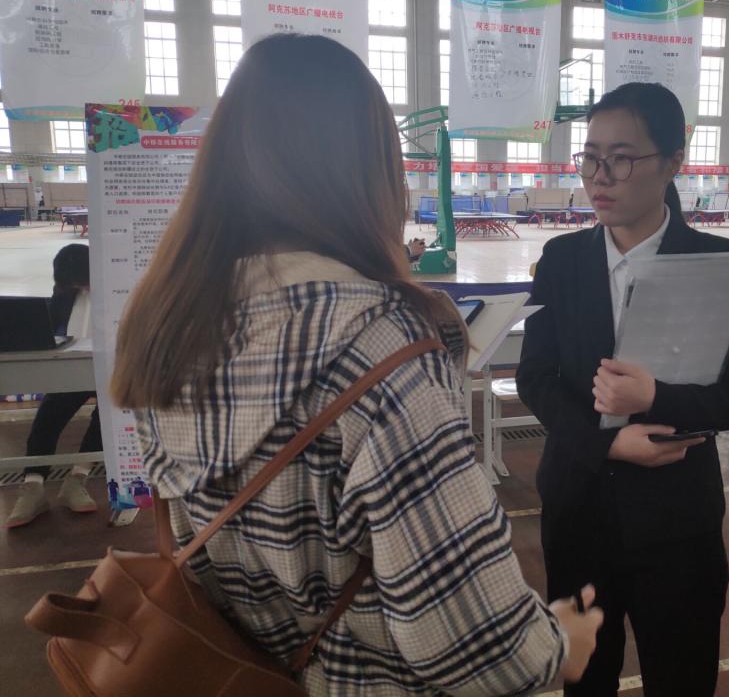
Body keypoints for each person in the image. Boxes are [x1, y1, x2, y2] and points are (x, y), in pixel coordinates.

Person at [110, 34, 602, 696]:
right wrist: (561, 643)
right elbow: (472, 645)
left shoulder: (166, 324)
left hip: (239, 676)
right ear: (368, 174)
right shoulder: (378, 346)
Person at [516, 83, 729, 696]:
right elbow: (535, 377)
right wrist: (606, 443)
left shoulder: (718, 264)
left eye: (622, 159)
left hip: (677, 521)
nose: (600, 177)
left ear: (674, 162)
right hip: (578, 515)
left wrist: (656, 398)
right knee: (584, 679)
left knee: (681, 677)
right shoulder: (562, 261)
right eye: (590, 157)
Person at [5, 244, 101, 529]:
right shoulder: (63, 295)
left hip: (110, 368)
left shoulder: (116, 290)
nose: (81, 288)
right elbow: (48, 327)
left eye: (83, 282)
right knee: (47, 418)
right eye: (74, 285)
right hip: (72, 368)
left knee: (107, 419)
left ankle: (77, 479)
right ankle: (33, 486)